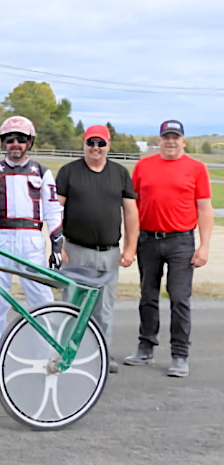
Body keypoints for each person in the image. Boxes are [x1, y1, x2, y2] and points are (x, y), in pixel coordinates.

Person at [0, 115, 64, 365]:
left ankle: (48, 356)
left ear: (30, 142)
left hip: (32, 242)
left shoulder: (42, 172)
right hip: (1, 241)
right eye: (9, 139)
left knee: (42, 299)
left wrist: (57, 244)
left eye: (21, 139)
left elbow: (53, 211)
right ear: (3, 143)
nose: (15, 144)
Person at [123, 120, 212, 378]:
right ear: (159, 140)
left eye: (175, 137)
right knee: (147, 295)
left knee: (179, 298)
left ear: (183, 140)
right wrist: (130, 241)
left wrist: (204, 246)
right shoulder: (143, 167)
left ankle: (180, 354)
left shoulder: (196, 169)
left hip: (181, 242)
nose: (170, 141)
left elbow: (205, 209)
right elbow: (131, 208)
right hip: (148, 240)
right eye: (166, 137)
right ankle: (145, 346)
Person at [55, 125, 138, 373]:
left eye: (101, 143)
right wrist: (57, 245)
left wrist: (130, 248)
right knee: (72, 305)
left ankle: (101, 354)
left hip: (109, 253)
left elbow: (131, 211)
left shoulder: (120, 173)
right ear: (84, 143)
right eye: (91, 142)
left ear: (108, 146)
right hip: (75, 250)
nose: (96, 148)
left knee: (104, 307)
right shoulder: (69, 173)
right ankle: (67, 353)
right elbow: (55, 210)